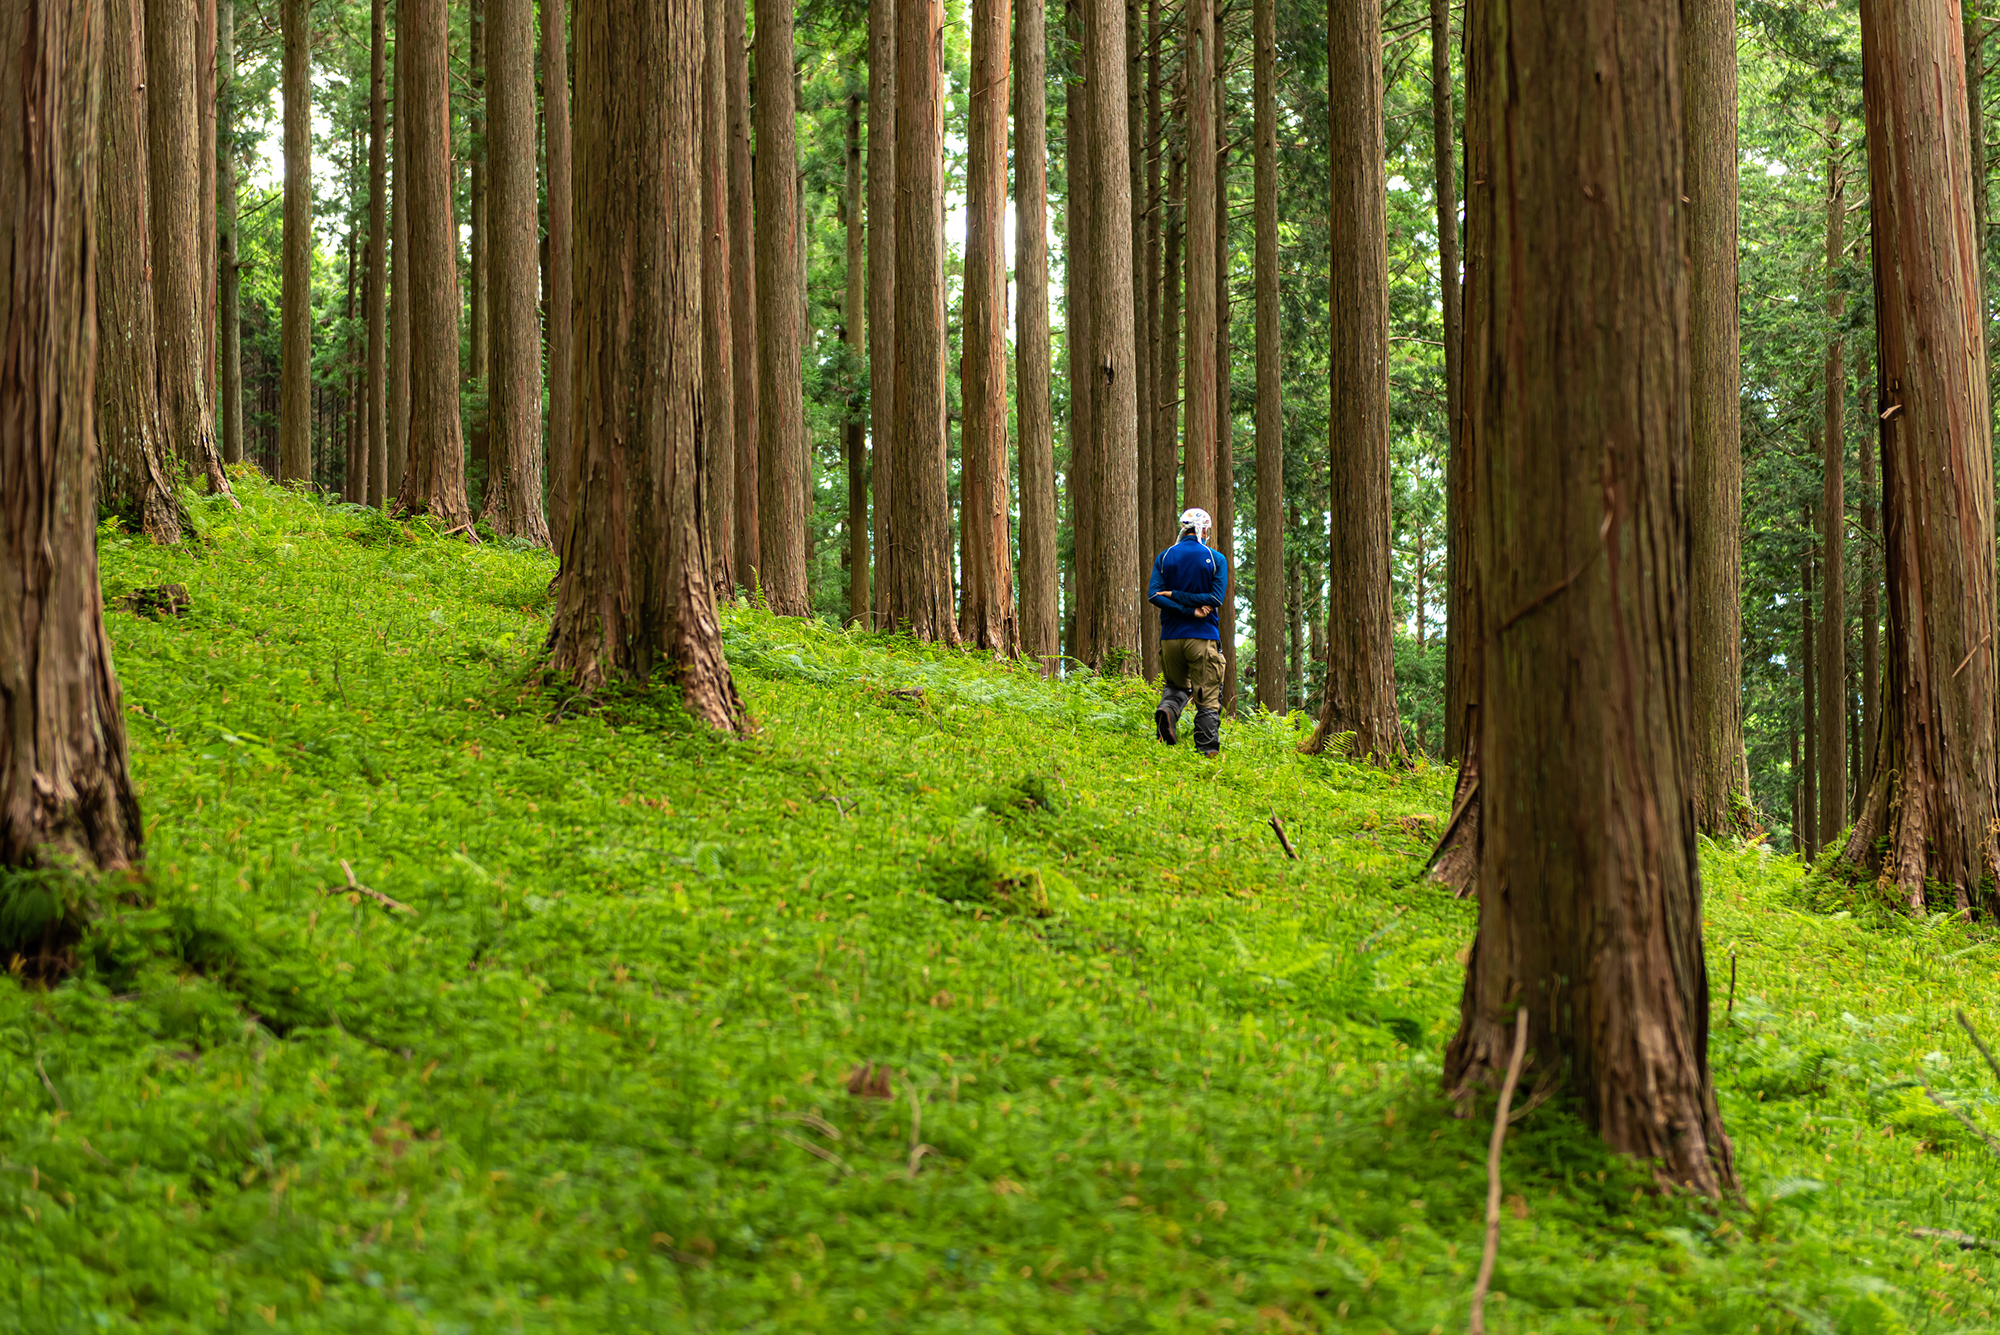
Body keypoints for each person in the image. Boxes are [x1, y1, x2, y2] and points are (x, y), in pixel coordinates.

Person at [1148, 507, 1230, 757]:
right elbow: (1215, 598)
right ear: (1203, 530)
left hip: (1170, 638)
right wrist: (1194, 610)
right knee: (1207, 698)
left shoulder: (1164, 557)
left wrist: (1174, 597)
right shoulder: (1216, 558)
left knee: (1176, 687)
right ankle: (1207, 753)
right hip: (1203, 638)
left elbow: (1154, 595)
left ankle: (1168, 711)